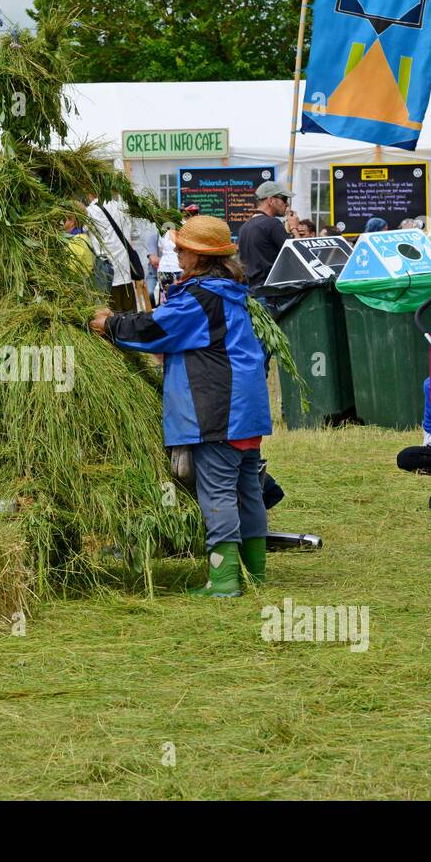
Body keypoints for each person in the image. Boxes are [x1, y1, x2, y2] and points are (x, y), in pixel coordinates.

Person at [92, 214, 271, 597]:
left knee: (218, 491)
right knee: (247, 489)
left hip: (219, 409)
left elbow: (155, 329)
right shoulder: (229, 291)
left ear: (200, 255)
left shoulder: (201, 299)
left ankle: (223, 582)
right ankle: (256, 575)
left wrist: (110, 324)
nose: (175, 250)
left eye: (182, 247)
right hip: (246, 409)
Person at [236, 181, 298, 304]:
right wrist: (294, 227)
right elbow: (298, 256)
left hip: (252, 296)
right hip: (272, 296)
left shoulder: (244, 227)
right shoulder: (272, 224)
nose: (286, 204)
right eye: (284, 199)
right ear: (270, 200)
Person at [86, 194, 142, 312]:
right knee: (129, 321)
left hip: (106, 280)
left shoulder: (91, 212)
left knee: (110, 324)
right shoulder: (123, 208)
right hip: (126, 278)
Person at [156, 203, 197, 303]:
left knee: (166, 302)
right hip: (181, 269)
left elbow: (161, 247)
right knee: (182, 301)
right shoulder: (189, 228)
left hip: (164, 269)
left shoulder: (165, 228)